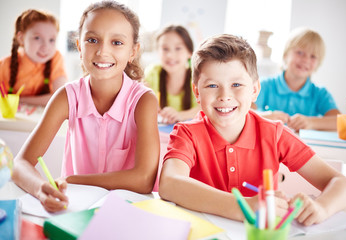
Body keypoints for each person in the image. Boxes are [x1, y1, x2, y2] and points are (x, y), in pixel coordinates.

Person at [159, 34, 346, 226]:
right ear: (197, 92)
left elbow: (341, 183)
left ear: (254, 90)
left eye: (236, 84)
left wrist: (322, 208)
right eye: (212, 85)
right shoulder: (186, 133)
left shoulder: (274, 134)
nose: (225, 96)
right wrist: (243, 207)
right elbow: (169, 183)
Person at [12, 0, 160, 212]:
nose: (102, 51)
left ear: (132, 51)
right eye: (92, 40)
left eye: (117, 42)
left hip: (128, 212)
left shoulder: (143, 101)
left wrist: (73, 180)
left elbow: (144, 179)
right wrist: (41, 189)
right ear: (80, 47)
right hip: (76, 210)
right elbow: (21, 164)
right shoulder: (67, 97)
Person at [253, 27, 340, 131]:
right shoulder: (265, 85)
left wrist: (311, 122)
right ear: (285, 55)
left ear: (318, 63)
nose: (306, 60)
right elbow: (243, 113)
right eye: (300, 52)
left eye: (313, 56)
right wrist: (266, 117)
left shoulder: (320, 94)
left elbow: (339, 122)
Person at [0, 9, 67, 106]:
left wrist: (19, 100)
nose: (46, 46)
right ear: (21, 39)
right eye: (37, 38)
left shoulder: (55, 58)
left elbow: (60, 98)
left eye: (51, 40)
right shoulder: (5, 65)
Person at [145, 25, 199, 124]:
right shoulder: (153, 73)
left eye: (178, 48)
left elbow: (204, 108)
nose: (170, 55)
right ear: (158, 52)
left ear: (189, 52)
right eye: (165, 49)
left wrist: (180, 115)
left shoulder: (197, 77)